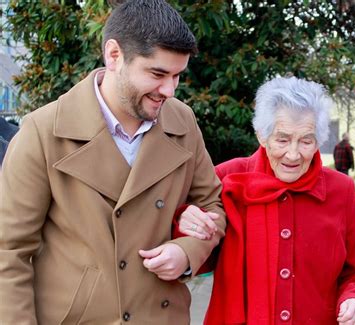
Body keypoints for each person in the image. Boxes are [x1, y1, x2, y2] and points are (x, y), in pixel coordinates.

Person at [0, 1, 226, 324]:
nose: (170, 91)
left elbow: (213, 207)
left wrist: (187, 253)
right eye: (158, 73)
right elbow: (9, 253)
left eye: (177, 76)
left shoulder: (184, 122)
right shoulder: (42, 133)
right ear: (114, 55)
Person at [177, 77, 355, 324]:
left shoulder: (341, 190)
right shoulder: (227, 178)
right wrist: (184, 222)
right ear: (262, 135)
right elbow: (199, 255)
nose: (293, 154)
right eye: (282, 139)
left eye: (306, 141)